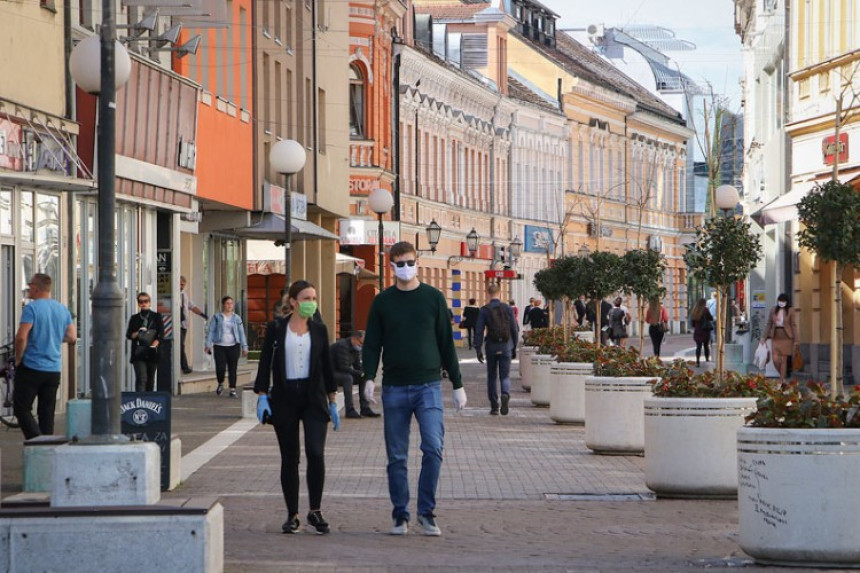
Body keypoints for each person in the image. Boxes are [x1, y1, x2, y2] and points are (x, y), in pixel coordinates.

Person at [362, 241, 466, 537]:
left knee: (433, 448)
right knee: (397, 456)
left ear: (416, 261)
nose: (405, 268)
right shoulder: (382, 302)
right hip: (394, 387)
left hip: (429, 386)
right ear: (391, 266)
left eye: (409, 262)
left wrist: (458, 384)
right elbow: (372, 344)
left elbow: (447, 342)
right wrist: (369, 376)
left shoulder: (433, 298)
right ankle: (400, 514)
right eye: (399, 264)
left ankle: (426, 512)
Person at [254, 280, 339, 535]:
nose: (311, 302)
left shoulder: (320, 330)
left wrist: (333, 401)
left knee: (315, 451)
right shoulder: (277, 328)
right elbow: (265, 361)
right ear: (293, 301)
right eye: (305, 298)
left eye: (313, 297)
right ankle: (292, 514)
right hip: (285, 397)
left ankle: (315, 510)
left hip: (314, 399)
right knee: (290, 457)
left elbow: (327, 367)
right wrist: (261, 395)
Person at [13, 274, 76, 439]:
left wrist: (18, 359)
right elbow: (72, 337)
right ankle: (46, 448)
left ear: (36, 287)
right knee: (46, 412)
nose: (28, 288)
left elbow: (21, 337)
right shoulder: (62, 309)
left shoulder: (31, 309)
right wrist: (53, 337)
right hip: (53, 369)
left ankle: (36, 440)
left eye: (30, 284)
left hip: (32, 367)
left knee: (21, 408)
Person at [474, 283, 519, 416]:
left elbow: (479, 330)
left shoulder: (484, 310)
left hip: (491, 347)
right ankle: (505, 394)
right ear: (499, 293)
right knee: (505, 376)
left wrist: (478, 348)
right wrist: (514, 346)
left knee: (492, 376)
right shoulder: (507, 308)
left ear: (488, 293)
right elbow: (514, 329)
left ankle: (494, 406)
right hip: (506, 345)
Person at [205, 296, 249, 398]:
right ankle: (220, 383)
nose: (230, 305)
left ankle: (232, 389)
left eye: (231, 304)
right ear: (223, 305)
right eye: (227, 303)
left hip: (234, 346)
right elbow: (211, 331)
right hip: (220, 346)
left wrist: (244, 347)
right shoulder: (217, 317)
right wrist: (208, 344)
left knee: (232, 368)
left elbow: (241, 333)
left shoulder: (237, 318)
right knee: (220, 368)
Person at [330, 330, 379, 419]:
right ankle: (349, 410)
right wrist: (361, 373)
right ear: (354, 339)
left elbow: (357, 366)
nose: (361, 346)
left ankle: (365, 408)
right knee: (348, 378)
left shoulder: (355, 348)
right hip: (329, 373)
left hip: (340, 372)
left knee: (362, 377)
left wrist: (366, 374)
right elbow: (343, 368)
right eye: (361, 343)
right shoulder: (342, 346)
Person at [125, 291, 164, 393]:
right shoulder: (134, 318)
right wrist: (138, 333)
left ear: (149, 302)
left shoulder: (156, 317)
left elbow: (161, 334)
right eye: (141, 301)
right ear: (138, 304)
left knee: (150, 380)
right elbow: (129, 335)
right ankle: (140, 400)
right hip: (139, 351)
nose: (143, 303)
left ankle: (148, 401)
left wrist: (154, 344)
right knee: (142, 378)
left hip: (151, 350)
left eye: (146, 301)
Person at [761, 293, 799, 384]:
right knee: (775, 359)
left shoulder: (790, 310)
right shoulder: (773, 310)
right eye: (780, 301)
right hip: (776, 335)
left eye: (783, 301)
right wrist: (764, 337)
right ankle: (783, 375)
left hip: (787, 336)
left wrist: (796, 339)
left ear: (787, 302)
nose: (781, 303)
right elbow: (769, 324)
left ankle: (781, 380)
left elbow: (793, 325)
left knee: (784, 359)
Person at [179, 276, 208, 375]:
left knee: (181, 346)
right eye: (180, 284)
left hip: (183, 324)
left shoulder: (184, 295)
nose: (181, 286)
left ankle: (183, 366)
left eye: (183, 284)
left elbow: (192, 306)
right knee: (180, 346)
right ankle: (185, 367)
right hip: (175, 325)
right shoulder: (174, 295)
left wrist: (203, 315)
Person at [690, 298, 714, 367]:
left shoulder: (695, 310)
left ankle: (697, 361)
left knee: (698, 346)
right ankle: (707, 359)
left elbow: (693, 321)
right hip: (705, 330)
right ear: (704, 303)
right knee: (706, 346)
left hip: (697, 330)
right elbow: (710, 318)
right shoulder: (705, 309)